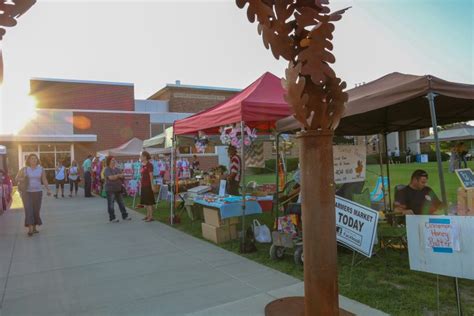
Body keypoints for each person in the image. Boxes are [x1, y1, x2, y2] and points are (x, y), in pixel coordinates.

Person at [15, 154, 52, 236]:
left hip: (38, 192)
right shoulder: (24, 169)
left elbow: (44, 179)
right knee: (28, 210)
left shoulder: (41, 169)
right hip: (26, 193)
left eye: (35, 158)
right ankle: (30, 229)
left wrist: (48, 189)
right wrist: (23, 178)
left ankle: (34, 228)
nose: (34, 160)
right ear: (28, 160)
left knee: (36, 210)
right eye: (32, 158)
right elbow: (16, 178)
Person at [104, 156, 131, 223]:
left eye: (114, 160)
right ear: (109, 161)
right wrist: (118, 176)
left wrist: (120, 175)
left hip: (118, 189)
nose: (114, 161)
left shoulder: (117, 169)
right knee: (111, 204)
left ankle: (125, 216)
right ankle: (112, 218)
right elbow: (111, 178)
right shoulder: (107, 169)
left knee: (121, 203)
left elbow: (122, 176)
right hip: (110, 190)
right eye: (112, 160)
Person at [139, 151, 157, 222]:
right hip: (143, 185)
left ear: (145, 157)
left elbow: (151, 175)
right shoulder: (143, 165)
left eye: (141, 156)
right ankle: (147, 215)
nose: (140, 157)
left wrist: (152, 186)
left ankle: (151, 216)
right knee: (146, 202)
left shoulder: (149, 165)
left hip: (148, 186)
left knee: (149, 202)